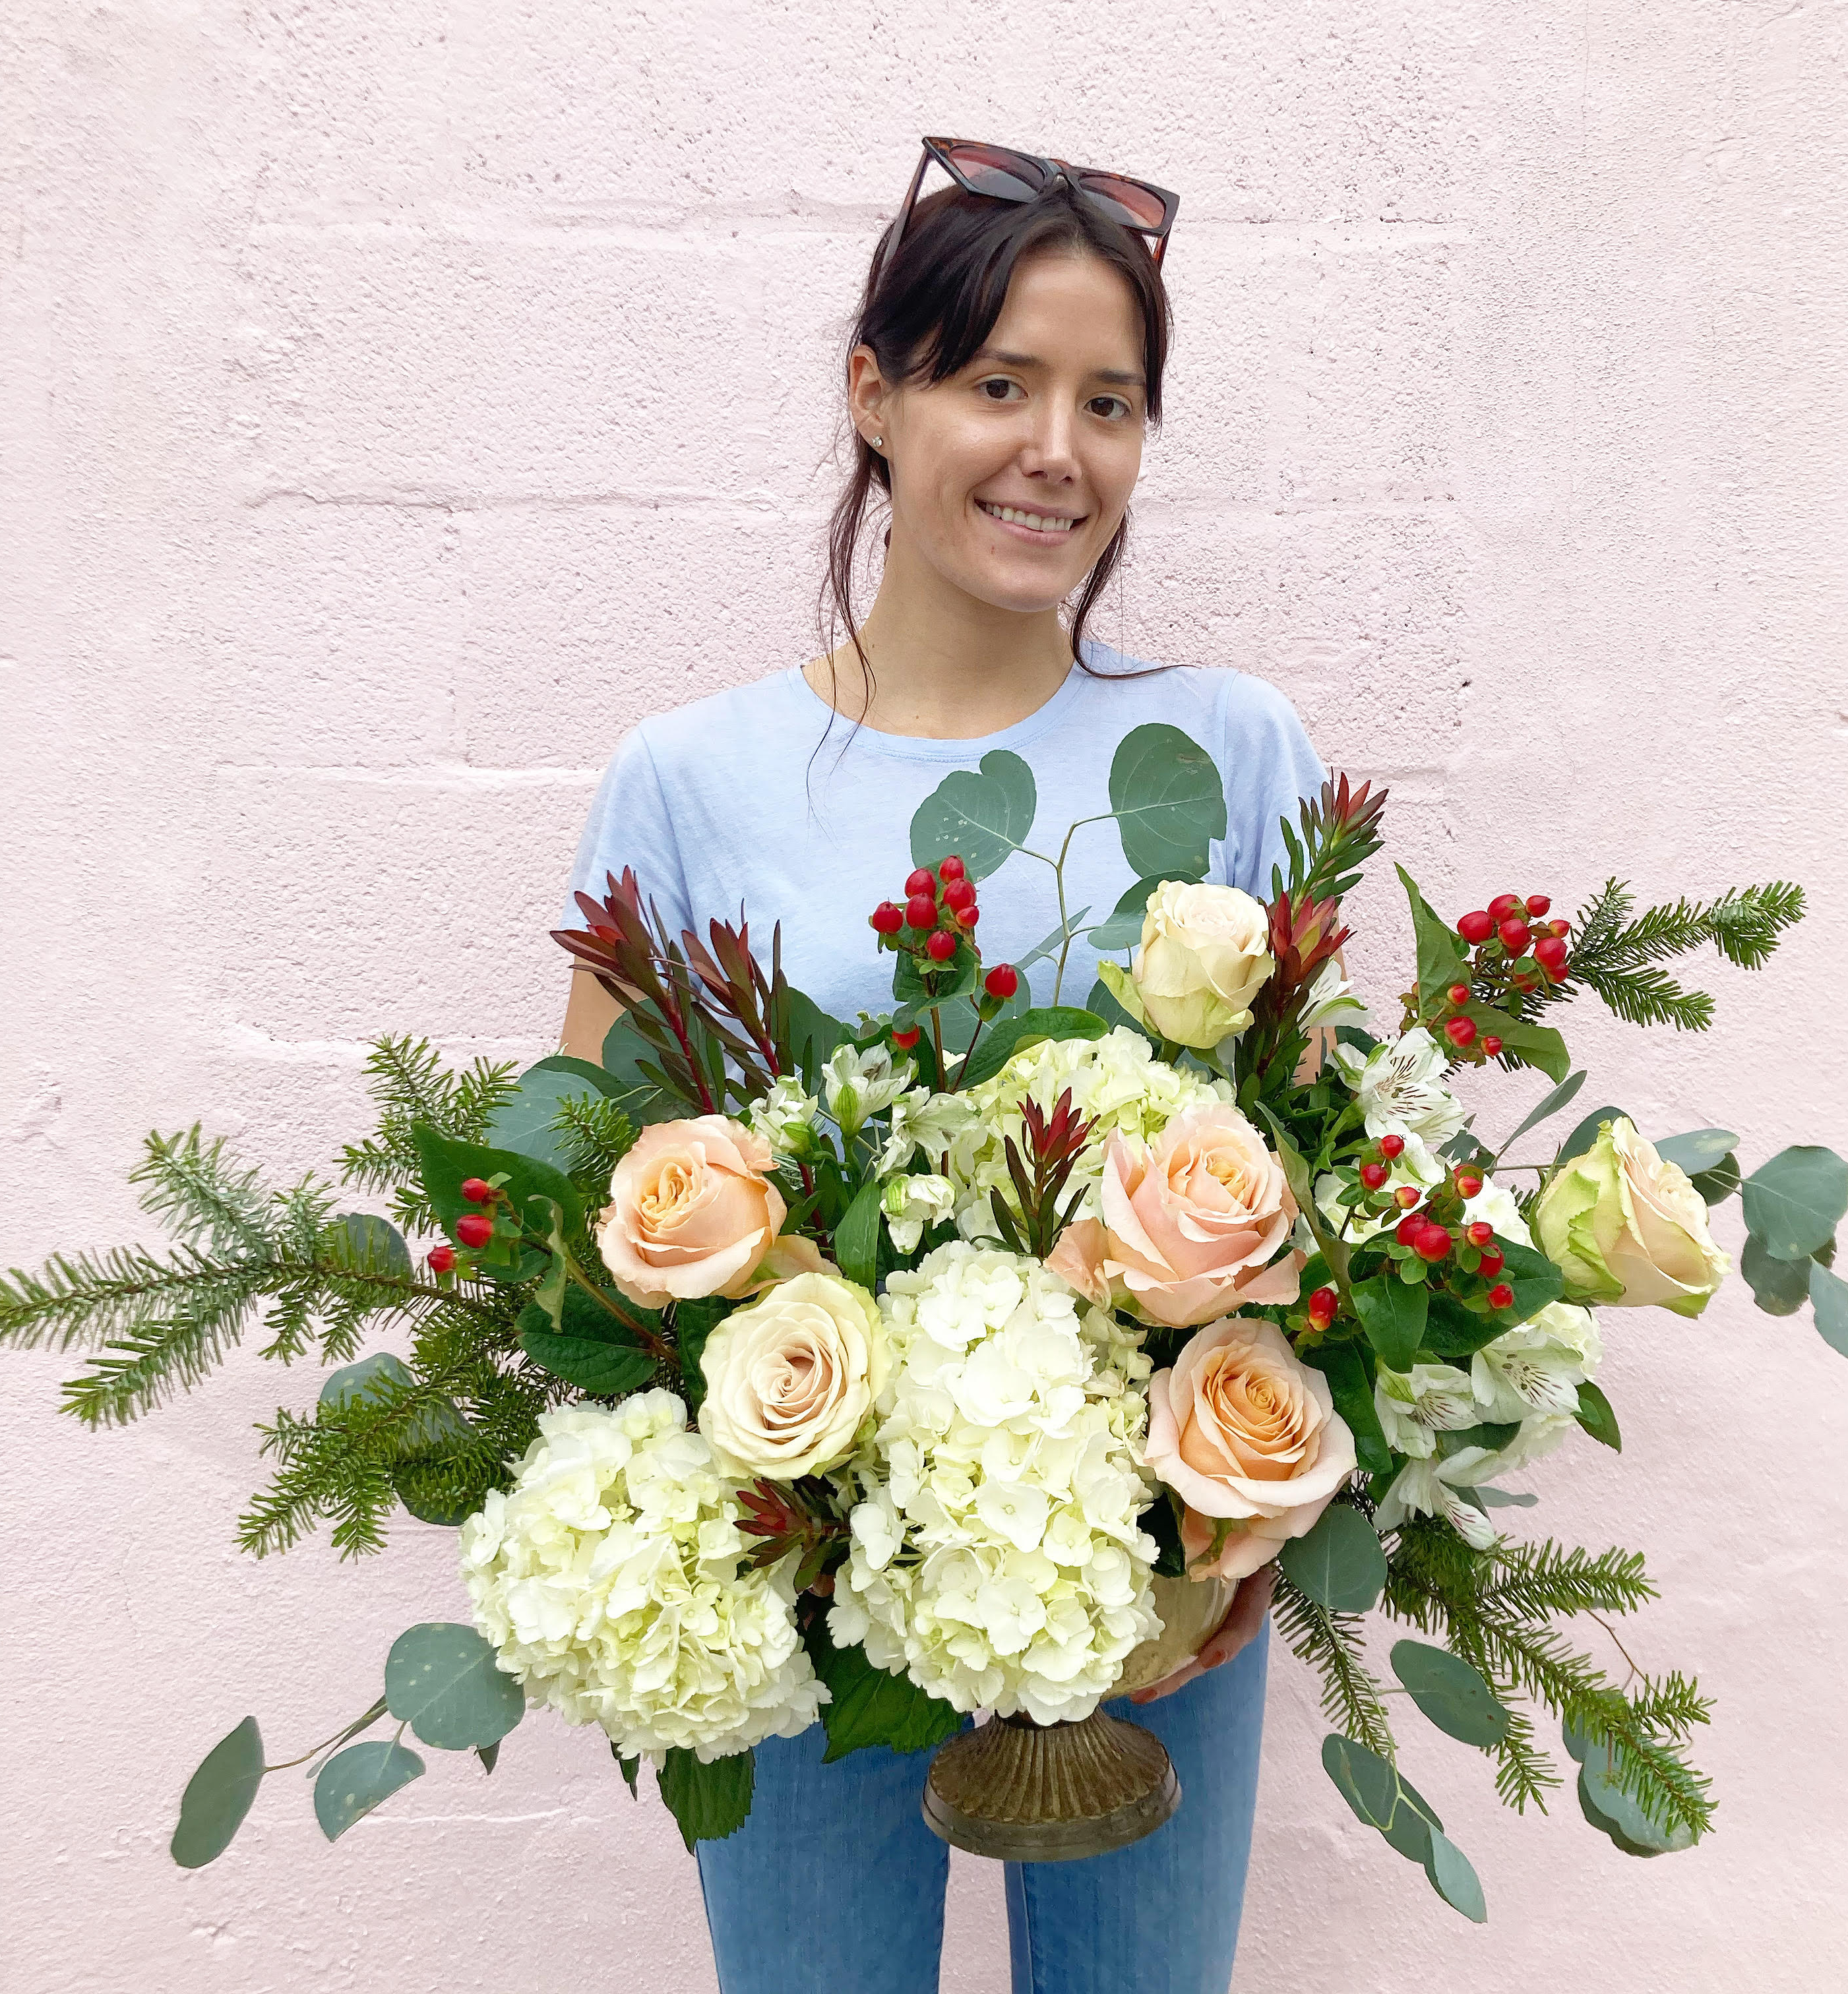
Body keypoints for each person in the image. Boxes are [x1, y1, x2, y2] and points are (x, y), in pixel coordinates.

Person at [555, 138, 1329, 1994]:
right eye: (998, 384)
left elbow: (1330, 1193)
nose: (1056, 448)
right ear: (876, 396)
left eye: (1110, 401)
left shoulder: (1232, 752)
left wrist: (1235, 1519)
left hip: (1162, 1603)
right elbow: (582, 1211)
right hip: (799, 1585)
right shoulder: (693, 779)